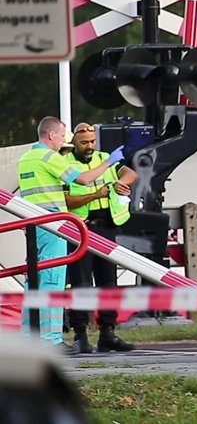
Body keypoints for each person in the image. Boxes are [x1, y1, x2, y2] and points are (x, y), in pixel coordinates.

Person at [16, 117, 125, 350]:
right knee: (53, 281)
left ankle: (28, 336)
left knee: (32, 281)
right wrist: (110, 162)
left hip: (33, 224)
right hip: (53, 222)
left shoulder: (25, 159)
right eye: (62, 135)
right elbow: (83, 179)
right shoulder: (49, 157)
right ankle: (51, 340)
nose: (64, 140)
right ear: (51, 135)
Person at [63, 123, 138, 354]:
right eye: (84, 142)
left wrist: (122, 183)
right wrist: (97, 194)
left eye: (92, 142)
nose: (89, 146)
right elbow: (66, 200)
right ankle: (81, 335)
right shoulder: (65, 164)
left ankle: (108, 333)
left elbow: (131, 172)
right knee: (81, 283)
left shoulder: (104, 158)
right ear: (74, 142)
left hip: (106, 227)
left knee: (108, 282)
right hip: (80, 229)